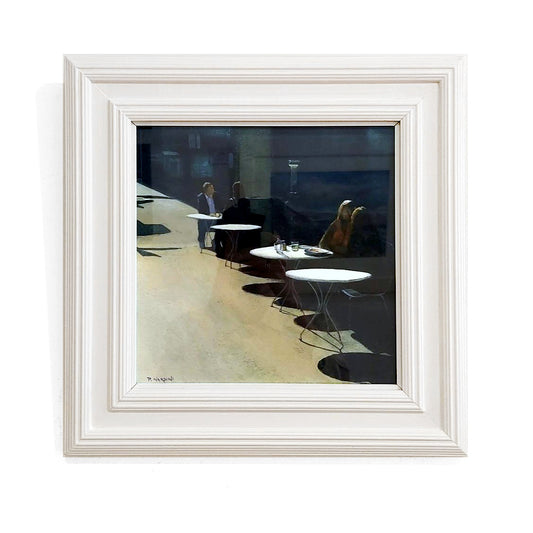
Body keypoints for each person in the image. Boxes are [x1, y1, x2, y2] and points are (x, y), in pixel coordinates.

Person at [196, 181, 220, 249]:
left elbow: (220, 207)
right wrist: (209, 214)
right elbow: (201, 210)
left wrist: (218, 212)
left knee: (222, 224)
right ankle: (201, 241)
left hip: (215, 218)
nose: (213, 190)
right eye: (211, 188)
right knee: (202, 222)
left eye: (213, 188)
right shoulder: (201, 197)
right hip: (206, 218)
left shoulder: (216, 196)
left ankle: (215, 241)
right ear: (206, 190)